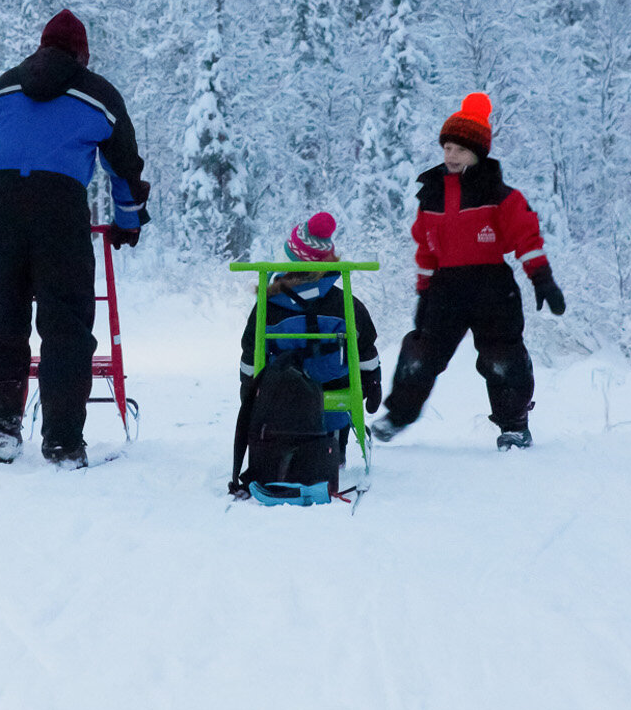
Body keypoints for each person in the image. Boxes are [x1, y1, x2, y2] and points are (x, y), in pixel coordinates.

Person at [0, 9, 150, 468]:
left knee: (3, 317)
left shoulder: (4, 87)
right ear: (82, 54)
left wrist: (0, 208)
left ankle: (3, 429)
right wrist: (128, 223)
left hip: (2, 205)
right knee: (66, 324)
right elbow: (124, 168)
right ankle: (63, 440)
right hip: (60, 210)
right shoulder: (99, 95)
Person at [372, 92, 566, 450]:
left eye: (459, 150)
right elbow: (426, 249)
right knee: (421, 352)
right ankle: (395, 418)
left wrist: (542, 278)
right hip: (446, 288)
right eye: (446, 148)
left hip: (492, 286)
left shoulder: (499, 193)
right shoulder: (429, 197)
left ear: (478, 152)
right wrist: (424, 291)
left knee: (501, 356)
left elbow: (526, 235)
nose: (451, 156)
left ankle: (514, 425)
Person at [230, 212, 381, 499]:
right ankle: (334, 451)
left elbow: (251, 356)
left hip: (279, 401)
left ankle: (280, 455)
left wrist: (248, 392)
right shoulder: (345, 302)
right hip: (334, 395)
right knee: (336, 378)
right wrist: (372, 383)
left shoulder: (267, 307)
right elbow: (366, 351)